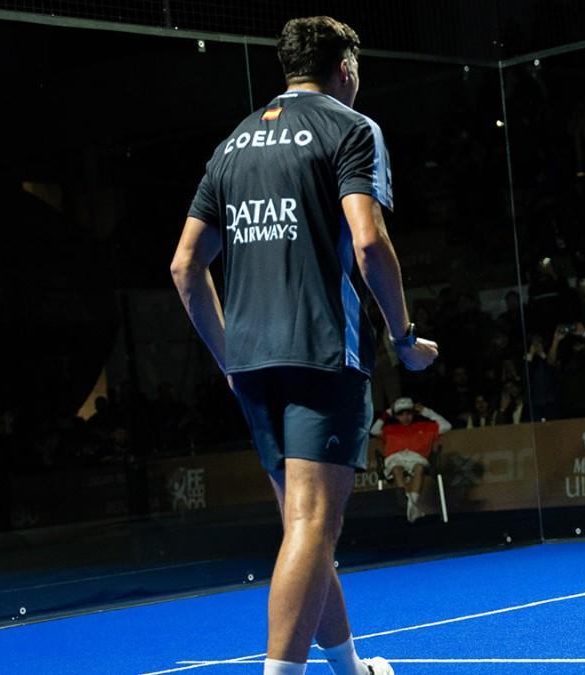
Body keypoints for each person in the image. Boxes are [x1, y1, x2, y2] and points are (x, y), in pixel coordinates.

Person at [170, 16, 436, 675]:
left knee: (304, 528)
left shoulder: (233, 145)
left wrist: (226, 354)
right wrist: (403, 338)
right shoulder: (351, 129)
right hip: (321, 351)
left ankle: (349, 667)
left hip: (253, 361)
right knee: (315, 526)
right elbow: (370, 243)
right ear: (345, 67)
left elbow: (184, 266)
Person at [370, 398, 451, 521]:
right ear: (396, 416)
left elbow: (447, 426)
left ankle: (410, 505)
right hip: (396, 458)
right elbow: (374, 430)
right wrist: (387, 413)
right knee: (397, 469)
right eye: (401, 414)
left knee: (419, 468)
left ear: (414, 413)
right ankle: (412, 506)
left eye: (408, 413)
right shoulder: (390, 429)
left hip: (416, 458)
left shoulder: (425, 426)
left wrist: (426, 411)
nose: (405, 417)